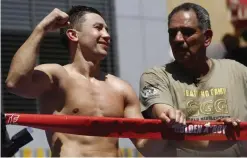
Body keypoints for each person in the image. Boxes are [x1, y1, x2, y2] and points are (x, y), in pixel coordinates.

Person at [5, 5, 145, 157]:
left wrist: (171, 124)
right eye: (98, 28)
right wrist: (41, 29)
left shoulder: (121, 88)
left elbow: (146, 144)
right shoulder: (58, 77)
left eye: (107, 29)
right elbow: (15, 83)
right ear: (73, 35)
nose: (106, 35)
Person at [139, 2, 247, 157]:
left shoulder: (238, 72)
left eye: (187, 32)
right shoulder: (156, 76)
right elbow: (165, 116)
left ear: (207, 38)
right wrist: (218, 133)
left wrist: (234, 132)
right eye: (172, 33)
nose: (177, 39)